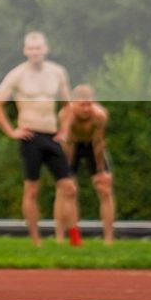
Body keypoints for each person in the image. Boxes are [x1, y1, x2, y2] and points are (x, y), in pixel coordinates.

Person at [0, 32, 77, 246]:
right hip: (30, 136)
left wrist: (64, 129)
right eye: (31, 48)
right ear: (25, 51)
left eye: (39, 48)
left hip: (52, 135)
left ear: (46, 49)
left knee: (69, 188)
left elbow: (69, 105)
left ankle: (69, 238)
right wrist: (11, 131)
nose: (35, 52)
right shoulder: (17, 75)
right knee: (32, 189)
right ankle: (36, 240)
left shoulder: (57, 72)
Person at [59, 83, 115, 246]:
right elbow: (67, 144)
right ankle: (67, 237)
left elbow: (98, 143)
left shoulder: (100, 116)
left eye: (89, 105)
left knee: (105, 189)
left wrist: (100, 171)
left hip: (92, 146)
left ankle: (109, 239)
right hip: (72, 146)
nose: (86, 109)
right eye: (82, 105)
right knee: (66, 191)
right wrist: (67, 171)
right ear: (74, 104)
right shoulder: (65, 115)